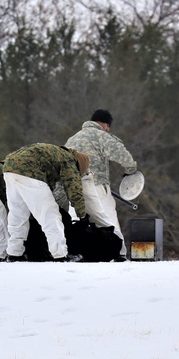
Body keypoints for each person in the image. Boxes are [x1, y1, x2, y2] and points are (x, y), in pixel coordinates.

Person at [64, 109, 138, 258]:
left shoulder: (72, 139)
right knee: (107, 218)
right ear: (103, 123)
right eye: (108, 126)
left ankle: (74, 252)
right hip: (96, 184)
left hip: (72, 188)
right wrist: (131, 169)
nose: (108, 129)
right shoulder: (101, 136)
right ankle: (119, 252)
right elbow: (121, 154)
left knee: (75, 221)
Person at [2, 143, 89, 262]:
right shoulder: (69, 161)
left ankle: (14, 253)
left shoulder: (56, 153)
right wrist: (82, 215)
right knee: (50, 216)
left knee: (18, 214)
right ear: (79, 165)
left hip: (9, 168)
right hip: (30, 171)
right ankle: (60, 255)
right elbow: (75, 191)